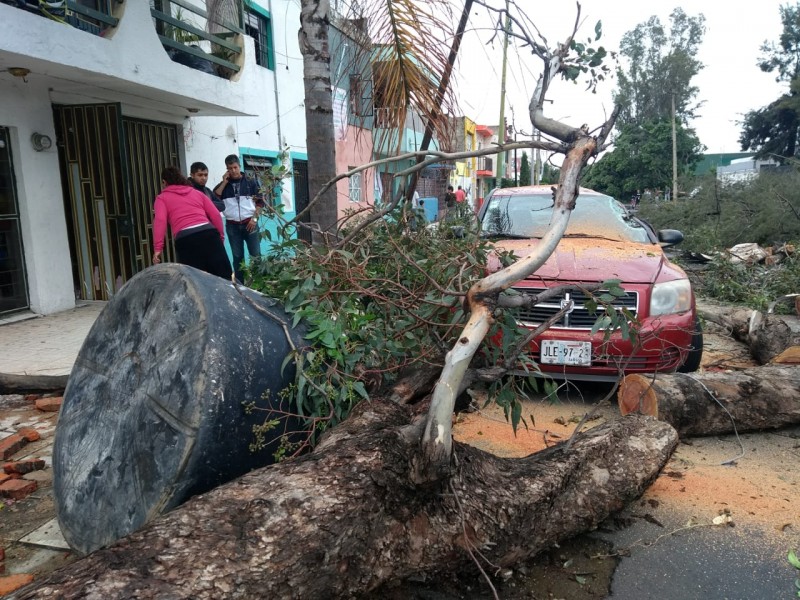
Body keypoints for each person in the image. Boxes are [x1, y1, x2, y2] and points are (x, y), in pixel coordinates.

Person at [152, 166, 232, 280]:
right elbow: (215, 214)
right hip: (209, 235)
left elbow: (160, 221)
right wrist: (221, 236)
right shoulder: (196, 193)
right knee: (225, 279)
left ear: (164, 182)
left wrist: (158, 249)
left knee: (195, 283)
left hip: (186, 240)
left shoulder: (162, 198)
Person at [213, 154, 263, 283]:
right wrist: (224, 182)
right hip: (232, 226)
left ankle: (260, 282)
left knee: (255, 255)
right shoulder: (223, 186)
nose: (233, 170)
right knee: (237, 257)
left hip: (250, 223)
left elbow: (260, 203)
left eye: (235, 167)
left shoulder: (251, 182)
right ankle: (240, 285)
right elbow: (215, 198)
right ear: (227, 169)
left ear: (239, 166)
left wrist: (255, 219)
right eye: (230, 168)